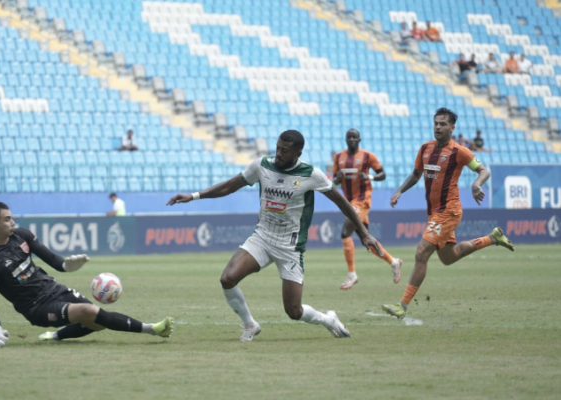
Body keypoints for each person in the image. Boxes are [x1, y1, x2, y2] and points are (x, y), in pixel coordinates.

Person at [167, 130, 384, 341]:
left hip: (290, 247)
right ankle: (250, 324)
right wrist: (194, 196)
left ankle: (329, 320)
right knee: (227, 278)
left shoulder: (311, 174)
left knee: (293, 311)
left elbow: (342, 202)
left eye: (285, 151)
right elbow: (229, 187)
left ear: (298, 153)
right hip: (262, 238)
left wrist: (364, 233)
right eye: (278, 148)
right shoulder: (262, 166)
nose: (279, 153)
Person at [0, 201, 173, 348]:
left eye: (11, 217)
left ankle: (54, 336)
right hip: (36, 308)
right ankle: (153, 329)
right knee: (91, 313)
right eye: (7, 219)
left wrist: (69, 265)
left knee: (98, 323)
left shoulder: (22, 235)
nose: (13, 222)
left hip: (54, 288)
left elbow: (56, 262)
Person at [382, 108, 514, 319]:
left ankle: (402, 306)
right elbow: (416, 174)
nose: (438, 127)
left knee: (421, 253)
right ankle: (492, 238)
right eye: (436, 123)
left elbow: (484, 170)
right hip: (434, 213)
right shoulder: (425, 148)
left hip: (449, 211)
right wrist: (399, 191)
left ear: (452, 128)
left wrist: (476, 184)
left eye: (443, 124)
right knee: (449, 257)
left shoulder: (459, 152)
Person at [332, 129, 403, 290]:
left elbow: (382, 175)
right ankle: (394, 262)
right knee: (368, 240)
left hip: (362, 201)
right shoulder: (339, 157)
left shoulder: (367, 156)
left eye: (354, 137)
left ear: (359, 139)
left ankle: (351, 274)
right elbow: (334, 182)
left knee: (345, 232)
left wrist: (369, 177)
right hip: (349, 203)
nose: (351, 139)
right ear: (345, 139)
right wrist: (338, 178)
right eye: (349, 137)